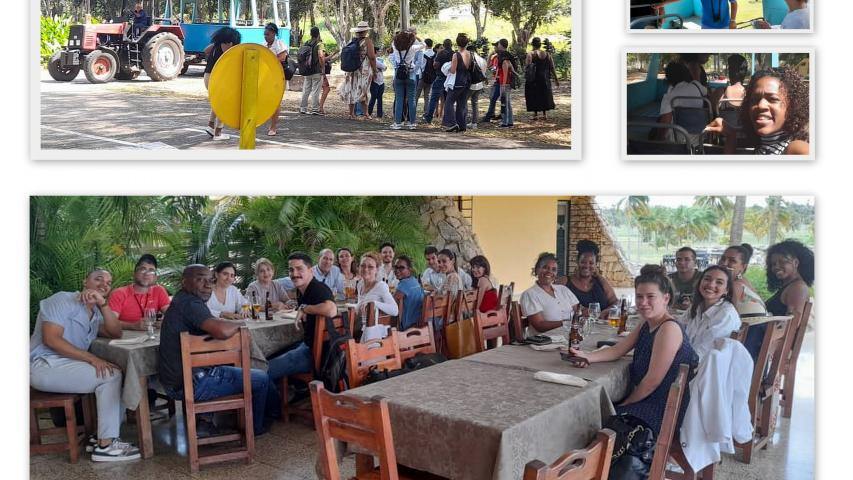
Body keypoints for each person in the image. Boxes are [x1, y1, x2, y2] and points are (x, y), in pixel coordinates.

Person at [568, 265, 699, 437]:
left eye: (650, 297)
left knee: (593, 420)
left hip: (661, 408)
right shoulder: (648, 323)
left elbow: (652, 382)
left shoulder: (668, 329)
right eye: (639, 297)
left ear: (666, 298)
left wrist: (625, 404)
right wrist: (587, 357)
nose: (643, 303)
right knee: (592, 413)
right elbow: (617, 350)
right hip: (653, 398)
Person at [30, 268, 141, 461]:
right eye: (98, 279)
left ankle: (100, 438)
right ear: (84, 282)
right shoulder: (63, 300)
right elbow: (51, 339)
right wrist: (92, 359)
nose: (104, 285)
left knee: (117, 370)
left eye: (108, 283)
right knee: (110, 376)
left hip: (66, 366)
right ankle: (106, 445)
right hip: (43, 365)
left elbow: (115, 333)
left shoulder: (95, 312)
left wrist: (104, 305)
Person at [158, 265, 278, 436]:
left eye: (210, 280)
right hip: (191, 383)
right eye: (200, 279)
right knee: (261, 378)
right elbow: (221, 330)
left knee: (226, 367)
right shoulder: (191, 303)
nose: (208, 285)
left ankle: (205, 420)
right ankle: (256, 428)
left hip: (179, 380)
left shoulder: (181, 299)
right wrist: (240, 323)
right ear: (184, 282)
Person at [266, 253, 338, 382]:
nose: (294, 274)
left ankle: (275, 401)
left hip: (318, 355)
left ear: (310, 270)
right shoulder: (302, 289)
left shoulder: (317, 288)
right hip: (310, 345)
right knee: (270, 355)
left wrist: (305, 308)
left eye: (299, 269)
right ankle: (293, 392)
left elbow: (332, 310)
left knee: (264, 371)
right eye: (291, 270)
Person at [706, 67, 810, 155]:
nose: (760, 105)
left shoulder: (795, 149)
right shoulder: (763, 147)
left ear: (792, 106)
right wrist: (731, 135)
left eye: (773, 99)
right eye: (755, 100)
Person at [745, 240, 814, 362]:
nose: (776, 267)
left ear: (796, 263)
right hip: (761, 344)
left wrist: (769, 345)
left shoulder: (798, 287)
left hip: (766, 349)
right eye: (773, 264)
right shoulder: (789, 286)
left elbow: (791, 324)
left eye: (782, 262)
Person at [680, 266, 740, 360]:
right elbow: (679, 329)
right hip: (687, 361)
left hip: (702, 369)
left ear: (726, 290)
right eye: (707, 279)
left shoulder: (725, 314)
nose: (711, 285)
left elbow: (703, 352)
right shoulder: (697, 306)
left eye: (719, 282)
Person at [520, 252, 580, 335]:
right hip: (544, 343)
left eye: (554, 269)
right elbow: (539, 325)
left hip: (567, 337)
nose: (549, 272)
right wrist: (567, 323)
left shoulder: (563, 289)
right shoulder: (529, 294)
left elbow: (579, 310)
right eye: (545, 267)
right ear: (537, 269)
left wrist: (592, 313)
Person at [108, 253, 170, 330]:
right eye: (142, 269)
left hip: (152, 339)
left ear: (155, 277)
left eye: (151, 271)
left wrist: (164, 322)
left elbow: (172, 315)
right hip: (125, 340)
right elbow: (110, 323)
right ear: (134, 274)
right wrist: (133, 326)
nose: (146, 274)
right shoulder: (119, 293)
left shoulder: (159, 291)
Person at [202, 27, 241, 140]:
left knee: (218, 102)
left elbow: (205, 51)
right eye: (232, 42)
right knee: (224, 105)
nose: (232, 45)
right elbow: (228, 56)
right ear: (229, 41)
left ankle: (210, 126)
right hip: (217, 77)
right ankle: (218, 133)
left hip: (207, 76)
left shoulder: (215, 45)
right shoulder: (226, 46)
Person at [656, 61, 707, 142]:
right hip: (701, 137)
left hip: (680, 140)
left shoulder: (670, 97)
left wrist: (658, 141)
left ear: (668, 78)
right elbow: (708, 94)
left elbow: (665, 125)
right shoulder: (697, 85)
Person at [339, 21, 377, 120]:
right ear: (365, 31)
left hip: (351, 70)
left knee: (351, 89)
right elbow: (372, 57)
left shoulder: (352, 41)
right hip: (363, 69)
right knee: (363, 90)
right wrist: (375, 70)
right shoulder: (367, 41)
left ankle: (351, 113)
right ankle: (366, 114)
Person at [567, 240, 618, 314]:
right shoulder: (566, 281)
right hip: (576, 325)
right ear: (577, 261)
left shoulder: (600, 281)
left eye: (591, 263)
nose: (587, 266)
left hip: (602, 324)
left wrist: (605, 312)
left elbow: (615, 302)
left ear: (595, 264)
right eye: (583, 262)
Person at [718, 244, 766, 315]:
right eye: (723, 258)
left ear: (743, 267)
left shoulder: (736, 285)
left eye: (732, 260)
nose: (724, 263)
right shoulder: (741, 280)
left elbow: (728, 315)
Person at [389, 31, 423, 130]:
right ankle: (412, 123)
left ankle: (398, 123)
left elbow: (392, 58)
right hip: (411, 74)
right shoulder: (413, 48)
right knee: (411, 99)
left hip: (398, 74)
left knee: (399, 98)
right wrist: (416, 38)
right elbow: (424, 45)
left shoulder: (395, 46)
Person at [356, 252, 399, 323]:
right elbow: (360, 305)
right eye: (363, 265)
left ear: (377, 269)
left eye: (370, 267)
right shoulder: (360, 284)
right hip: (359, 324)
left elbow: (395, 310)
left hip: (372, 329)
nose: (366, 269)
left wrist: (374, 304)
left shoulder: (381, 286)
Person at [443, 33, 473, 133]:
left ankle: (452, 123)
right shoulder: (470, 53)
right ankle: (462, 125)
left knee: (449, 102)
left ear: (457, 43)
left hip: (458, 80)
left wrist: (447, 66)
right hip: (467, 80)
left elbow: (453, 70)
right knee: (462, 103)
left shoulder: (456, 55)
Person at [524, 37, 558, 121]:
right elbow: (552, 67)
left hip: (534, 79)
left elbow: (527, 66)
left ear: (532, 45)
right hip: (545, 78)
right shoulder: (547, 54)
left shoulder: (530, 54)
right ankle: (544, 114)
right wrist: (556, 79)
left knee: (534, 95)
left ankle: (535, 115)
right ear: (540, 45)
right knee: (544, 95)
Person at [263, 23, 288, 135]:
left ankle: (273, 127)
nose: (265, 36)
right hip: (265, 77)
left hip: (278, 77)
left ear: (273, 33)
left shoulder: (280, 44)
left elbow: (282, 57)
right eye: (264, 34)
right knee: (266, 100)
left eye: (267, 34)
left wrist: (269, 60)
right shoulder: (263, 45)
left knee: (276, 102)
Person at [422, 39, 453, 124]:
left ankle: (428, 117)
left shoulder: (441, 53)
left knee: (434, 98)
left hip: (440, 77)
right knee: (448, 99)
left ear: (444, 45)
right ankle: (447, 119)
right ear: (451, 45)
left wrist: (438, 67)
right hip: (450, 78)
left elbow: (435, 65)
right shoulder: (454, 54)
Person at [299, 26, 325, 115]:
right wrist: (323, 68)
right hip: (316, 70)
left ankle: (303, 108)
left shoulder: (307, 43)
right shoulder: (319, 44)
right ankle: (315, 109)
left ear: (310, 34)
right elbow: (321, 56)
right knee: (315, 90)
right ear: (318, 34)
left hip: (307, 70)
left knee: (306, 90)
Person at [393, 255, 424, 330]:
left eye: (401, 268)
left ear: (409, 270)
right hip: (418, 324)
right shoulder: (415, 281)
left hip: (406, 328)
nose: (397, 270)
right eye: (396, 267)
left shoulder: (404, 284)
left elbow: (392, 303)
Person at [483, 39, 509, 124]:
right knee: (493, 98)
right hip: (497, 80)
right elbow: (488, 66)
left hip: (501, 81)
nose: (495, 47)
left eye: (496, 46)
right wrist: (490, 55)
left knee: (497, 98)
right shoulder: (495, 57)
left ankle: (491, 115)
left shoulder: (503, 57)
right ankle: (493, 114)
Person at [466, 45, 488, 129]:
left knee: (463, 102)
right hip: (479, 85)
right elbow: (484, 73)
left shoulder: (470, 58)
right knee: (475, 103)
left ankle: (463, 120)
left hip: (471, 84)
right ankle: (474, 123)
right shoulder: (482, 59)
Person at [416, 39, 436, 112]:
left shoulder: (423, 54)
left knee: (416, 95)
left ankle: (412, 112)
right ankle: (426, 112)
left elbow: (420, 65)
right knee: (427, 96)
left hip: (422, 77)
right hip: (431, 78)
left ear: (426, 45)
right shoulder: (435, 54)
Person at [369, 46, 387, 119]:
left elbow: (384, 67)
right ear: (375, 51)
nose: (380, 52)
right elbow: (384, 67)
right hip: (375, 81)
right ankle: (370, 112)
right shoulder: (375, 60)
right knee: (374, 97)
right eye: (379, 51)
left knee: (378, 98)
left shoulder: (378, 60)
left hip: (380, 80)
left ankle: (379, 114)